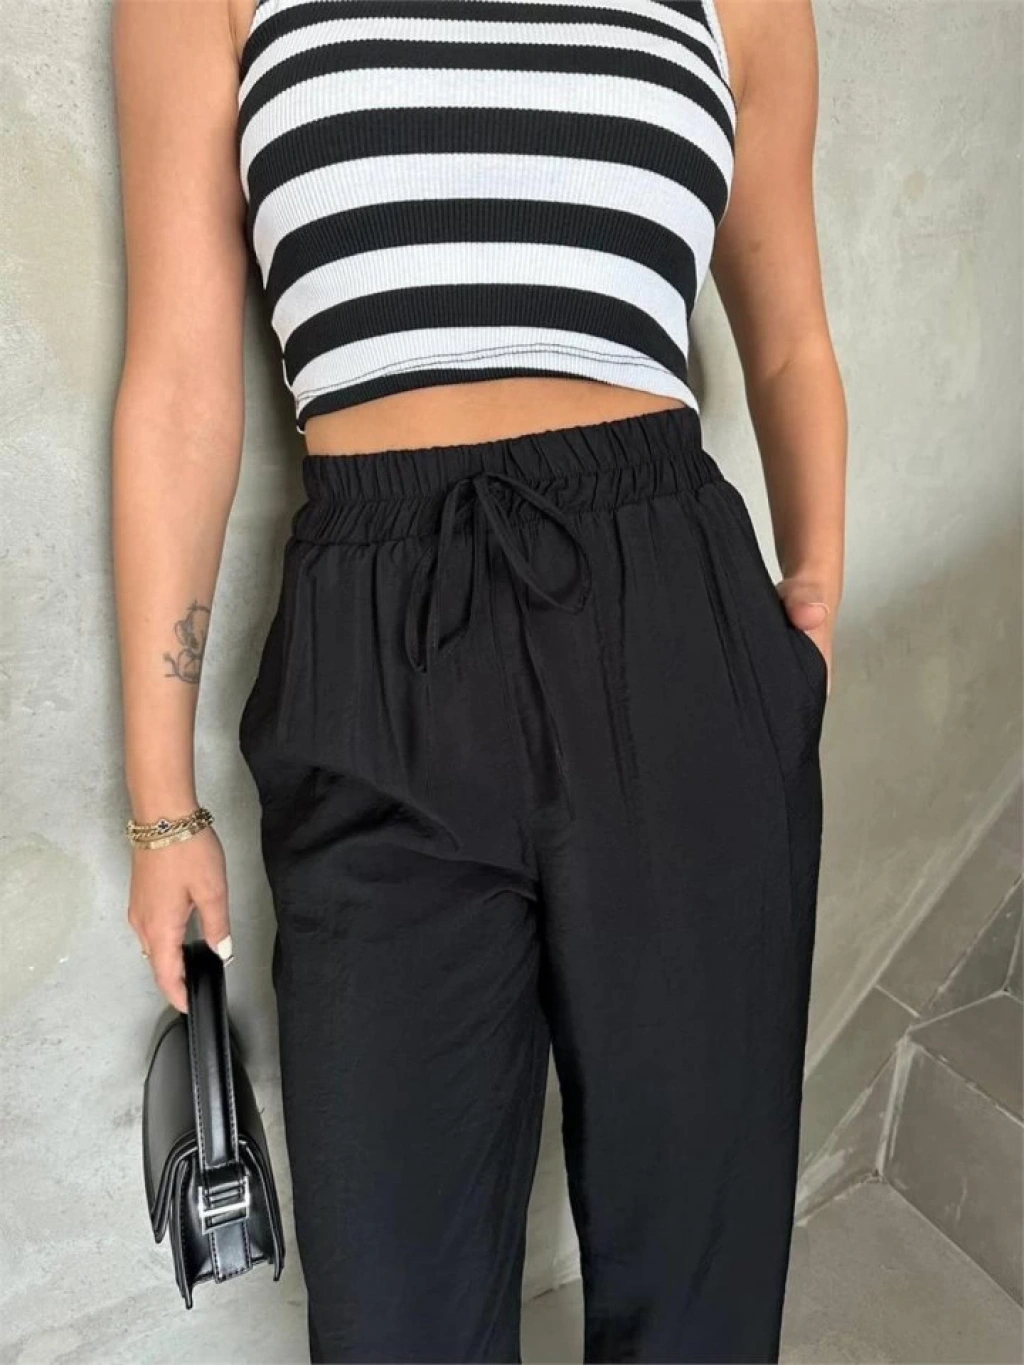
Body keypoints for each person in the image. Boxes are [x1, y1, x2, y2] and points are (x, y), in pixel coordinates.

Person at [112, 0, 846, 1360]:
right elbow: (178, 389)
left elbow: (790, 334)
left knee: (701, 1267)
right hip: (371, 639)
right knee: (393, 1306)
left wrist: (808, 608)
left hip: (672, 622)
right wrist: (162, 804)